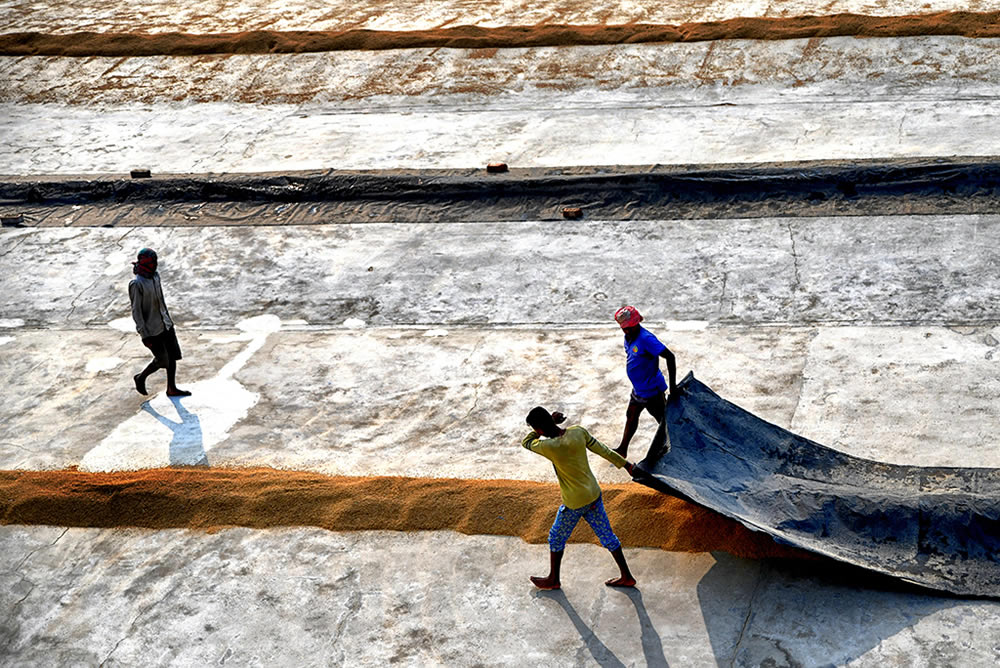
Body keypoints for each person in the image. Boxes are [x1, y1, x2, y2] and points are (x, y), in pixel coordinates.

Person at [521, 406, 636, 590]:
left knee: (556, 537)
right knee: (607, 535)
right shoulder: (578, 432)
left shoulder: (547, 446)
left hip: (574, 503)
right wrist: (627, 465)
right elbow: (603, 450)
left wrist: (543, 428)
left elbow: (526, 442)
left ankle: (553, 579)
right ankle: (627, 576)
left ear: (539, 430)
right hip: (593, 494)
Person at [613, 305, 677, 459]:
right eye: (624, 328)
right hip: (638, 389)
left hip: (652, 390)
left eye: (629, 327)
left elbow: (670, 356)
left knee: (663, 421)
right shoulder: (628, 337)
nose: (626, 331)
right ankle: (623, 449)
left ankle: (672, 449)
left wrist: (673, 387)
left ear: (637, 323)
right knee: (631, 415)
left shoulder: (646, 339)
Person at [128, 248, 191, 397]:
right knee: (163, 360)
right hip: (152, 329)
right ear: (146, 263)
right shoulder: (136, 284)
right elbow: (136, 311)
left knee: (173, 356)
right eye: (152, 262)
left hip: (165, 323)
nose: (155, 265)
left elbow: (161, 301)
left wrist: (168, 320)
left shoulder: (155, 277)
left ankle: (171, 388)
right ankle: (141, 377)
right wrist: (144, 335)